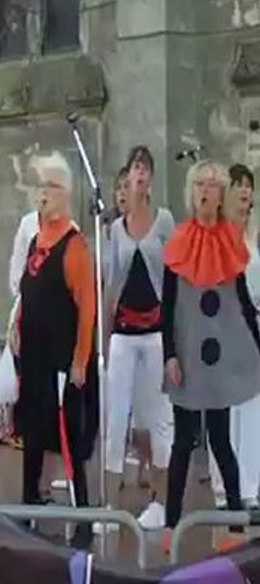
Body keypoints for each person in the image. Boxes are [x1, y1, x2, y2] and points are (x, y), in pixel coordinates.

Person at [162, 160, 260, 552]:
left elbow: (243, 304)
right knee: (183, 440)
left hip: (218, 358)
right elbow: (167, 306)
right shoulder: (179, 240)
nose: (204, 191)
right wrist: (169, 355)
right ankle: (171, 524)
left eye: (211, 185)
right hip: (186, 356)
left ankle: (235, 525)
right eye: (198, 184)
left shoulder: (230, 241)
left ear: (221, 195)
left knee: (220, 440)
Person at [12, 152, 97, 550]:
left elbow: (87, 308)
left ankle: (83, 519)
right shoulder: (35, 241)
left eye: (49, 187)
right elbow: (27, 292)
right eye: (39, 187)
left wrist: (81, 359)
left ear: (64, 194)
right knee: (31, 435)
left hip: (61, 359)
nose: (41, 195)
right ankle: (28, 508)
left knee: (68, 441)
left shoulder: (74, 246)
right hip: (33, 358)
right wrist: (16, 325)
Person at [103, 146, 175, 530]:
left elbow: (173, 279)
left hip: (156, 333)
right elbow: (110, 285)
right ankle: (111, 506)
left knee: (156, 419)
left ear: (151, 178)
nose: (140, 174)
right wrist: (103, 338)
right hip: (124, 334)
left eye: (146, 168)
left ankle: (160, 502)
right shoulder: (116, 229)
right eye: (135, 167)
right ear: (128, 177)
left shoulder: (164, 221)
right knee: (116, 419)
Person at [209, 163, 260, 508]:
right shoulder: (217, 236)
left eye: (248, 186)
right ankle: (223, 488)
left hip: (254, 328)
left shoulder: (253, 237)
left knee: (253, 409)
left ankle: (250, 488)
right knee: (225, 410)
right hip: (224, 327)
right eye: (239, 185)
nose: (245, 191)